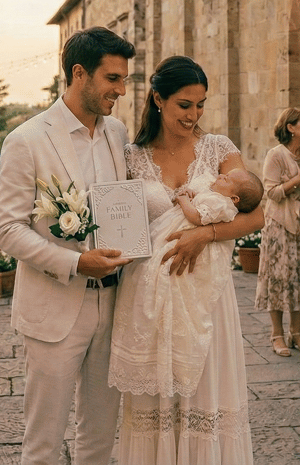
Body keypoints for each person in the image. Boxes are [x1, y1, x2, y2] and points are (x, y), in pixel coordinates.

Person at [110, 55, 263, 464]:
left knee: (205, 397)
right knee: (156, 405)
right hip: (149, 299)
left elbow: (256, 213)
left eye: (200, 105)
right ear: (158, 99)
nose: (194, 115)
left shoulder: (218, 149)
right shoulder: (130, 155)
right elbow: (117, 218)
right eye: (184, 105)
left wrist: (204, 234)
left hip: (207, 298)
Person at [0, 27, 136, 465]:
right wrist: (75, 262)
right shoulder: (27, 139)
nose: (121, 90)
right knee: (43, 444)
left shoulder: (118, 133)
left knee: (99, 441)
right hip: (55, 310)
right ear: (79, 73)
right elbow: (7, 229)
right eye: (112, 78)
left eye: (124, 79)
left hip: (115, 307)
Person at [108, 167, 262, 399]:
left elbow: (200, 217)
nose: (221, 176)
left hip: (190, 265)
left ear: (235, 197)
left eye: (226, 178)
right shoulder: (132, 154)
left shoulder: (220, 201)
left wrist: (184, 203)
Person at [255, 107, 300, 357]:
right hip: (280, 225)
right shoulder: (276, 155)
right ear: (291, 127)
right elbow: (270, 192)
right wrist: (299, 178)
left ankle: (296, 333)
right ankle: (277, 335)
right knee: (279, 278)